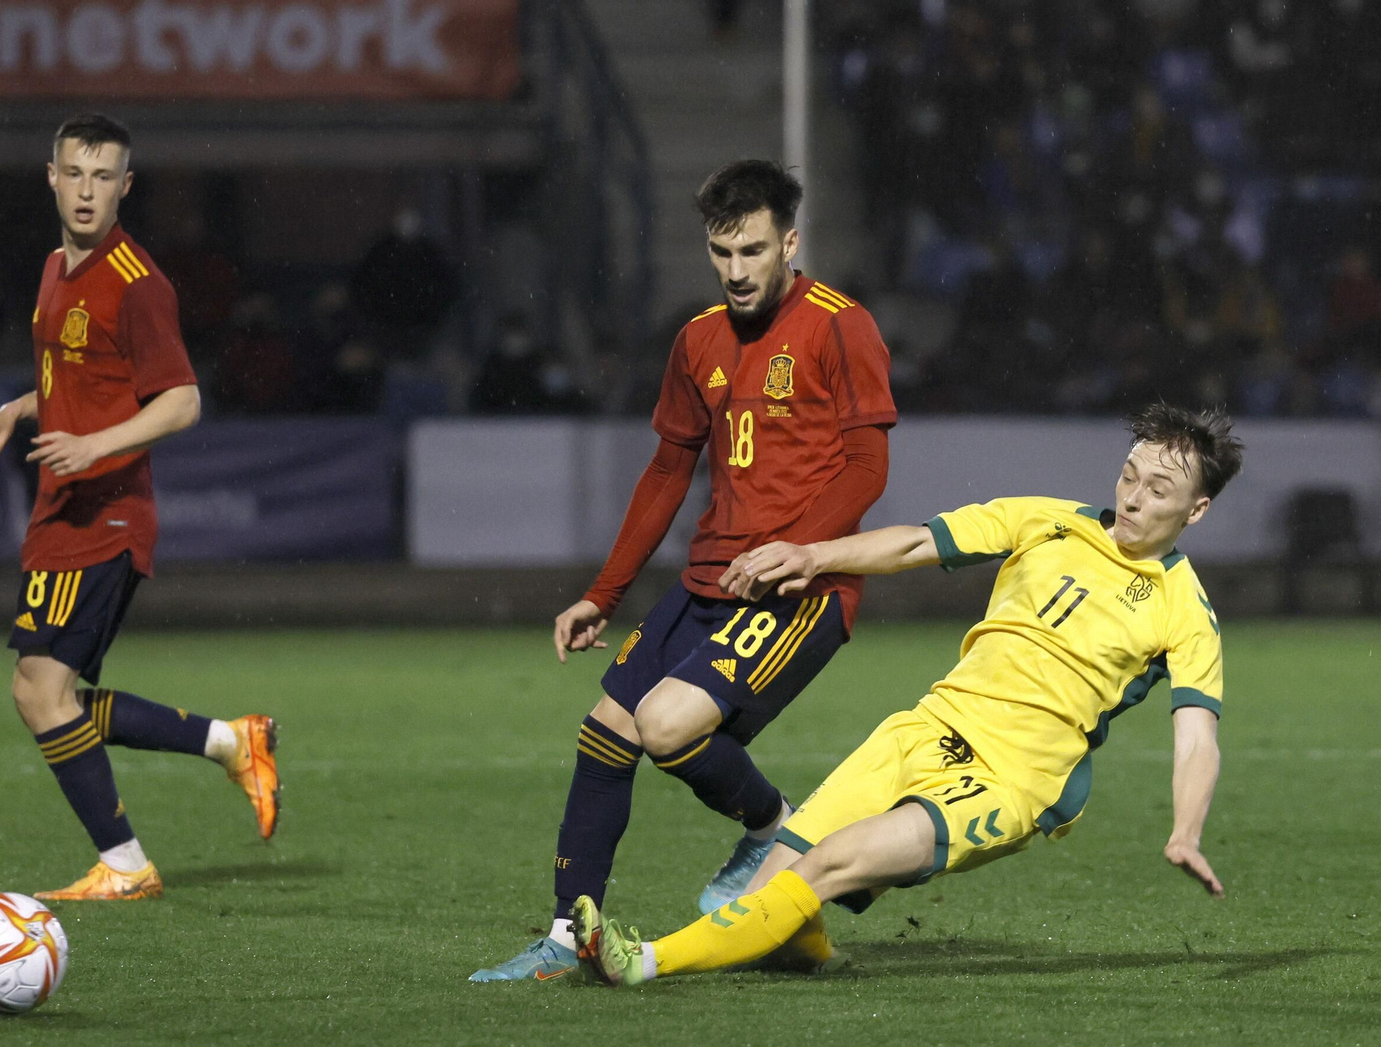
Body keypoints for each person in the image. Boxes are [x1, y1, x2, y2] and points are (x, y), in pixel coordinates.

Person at [569, 404, 1243, 987]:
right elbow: (919, 542)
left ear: (1197, 508)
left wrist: (1186, 829)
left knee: (831, 862)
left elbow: (1196, 737)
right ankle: (801, 942)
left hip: (1011, 780)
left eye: (1159, 488)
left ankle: (642, 960)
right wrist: (814, 556)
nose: (1133, 496)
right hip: (922, 729)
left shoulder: (1184, 610)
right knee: (771, 896)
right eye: (1129, 473)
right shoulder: (1047, 520)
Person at [471, 160, 897, 981]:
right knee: (607, 728)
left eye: (753, 251)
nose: (737, 271)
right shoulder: (696, 339)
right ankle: (566, 938)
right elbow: (667, 473)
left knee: (667, 726)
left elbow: (865, 469)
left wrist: (797, 551)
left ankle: (776, 827)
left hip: (802, 589)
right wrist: (603, 592)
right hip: (707, 582)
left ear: (791, 243)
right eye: (722, 251)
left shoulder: (842, 327)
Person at [0, 114, 280, 901]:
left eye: (104, 178)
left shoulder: (139, 282)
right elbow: (78, 372)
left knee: (39, 691)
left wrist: (96, 447)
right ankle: (231, 740)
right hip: (63, 508)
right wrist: (20, 406)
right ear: (51, 175)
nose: (87, 192)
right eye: (76, 173)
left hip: (101, 514)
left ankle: (128, 865)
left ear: (125, 186)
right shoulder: (53, 268)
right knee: (57, 696)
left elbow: (180, 401)